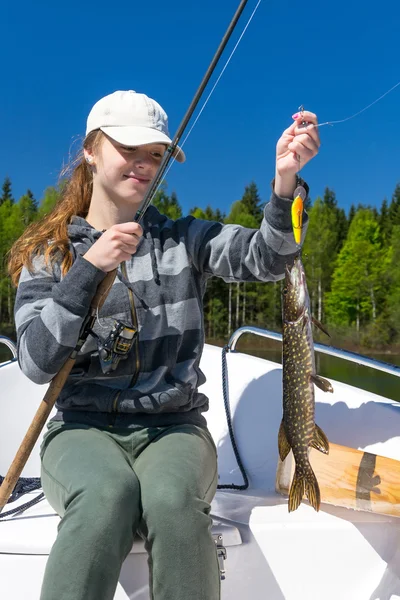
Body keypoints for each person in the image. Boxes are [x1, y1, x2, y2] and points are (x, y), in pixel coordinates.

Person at [8, 90, 320, 600]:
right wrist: (88, 270)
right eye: (129, 148)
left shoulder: (185, 238)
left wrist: (285, 183)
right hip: (82, 427)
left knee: (174, 501)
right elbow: (38, 361)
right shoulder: (48, 254)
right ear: (90, 149)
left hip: (174, 427)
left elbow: (269, 258)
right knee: (106, 497)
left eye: (155, 154)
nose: (144, 163)